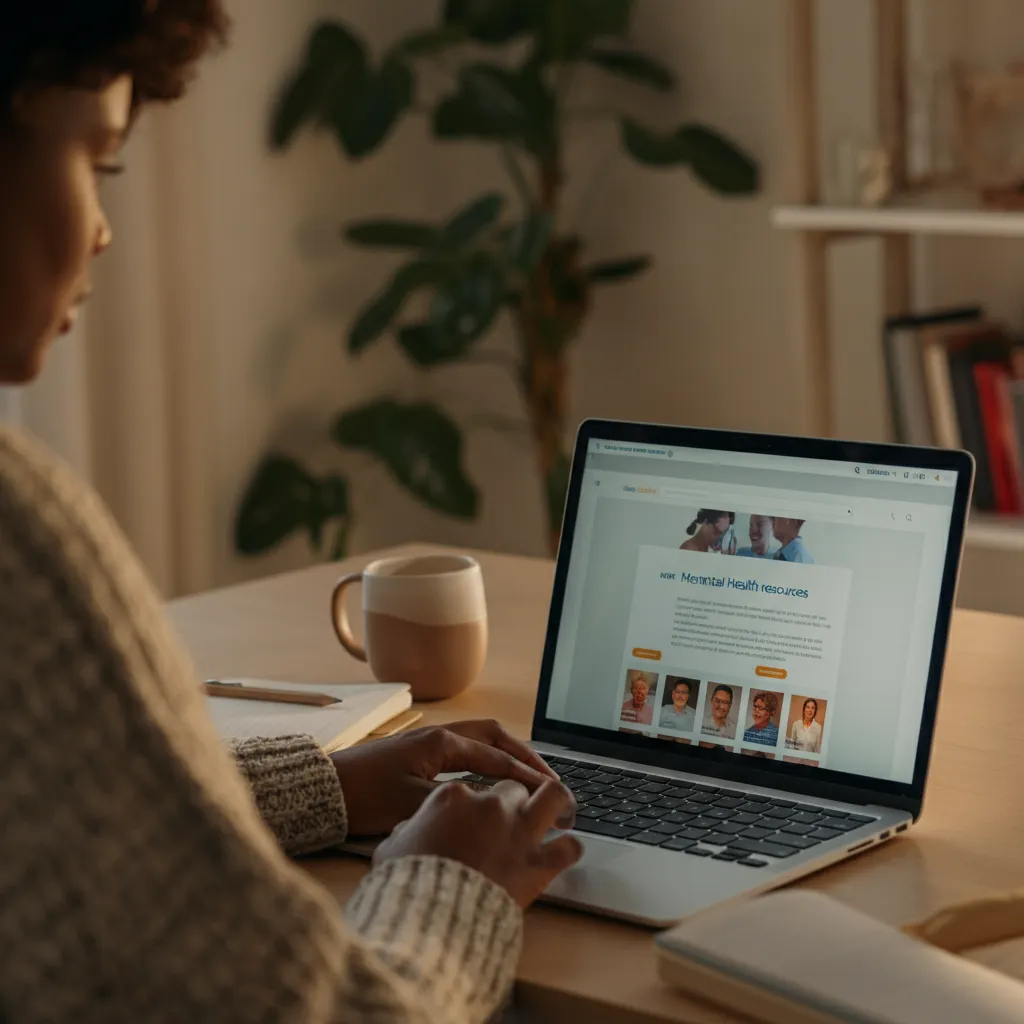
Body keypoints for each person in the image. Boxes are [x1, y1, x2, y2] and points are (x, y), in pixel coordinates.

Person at [0, 7, 582, 1022]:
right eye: (98, 160)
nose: (99, 226)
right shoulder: (18, 536)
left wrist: (328, 784)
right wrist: (454, 880)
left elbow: (45, 808)